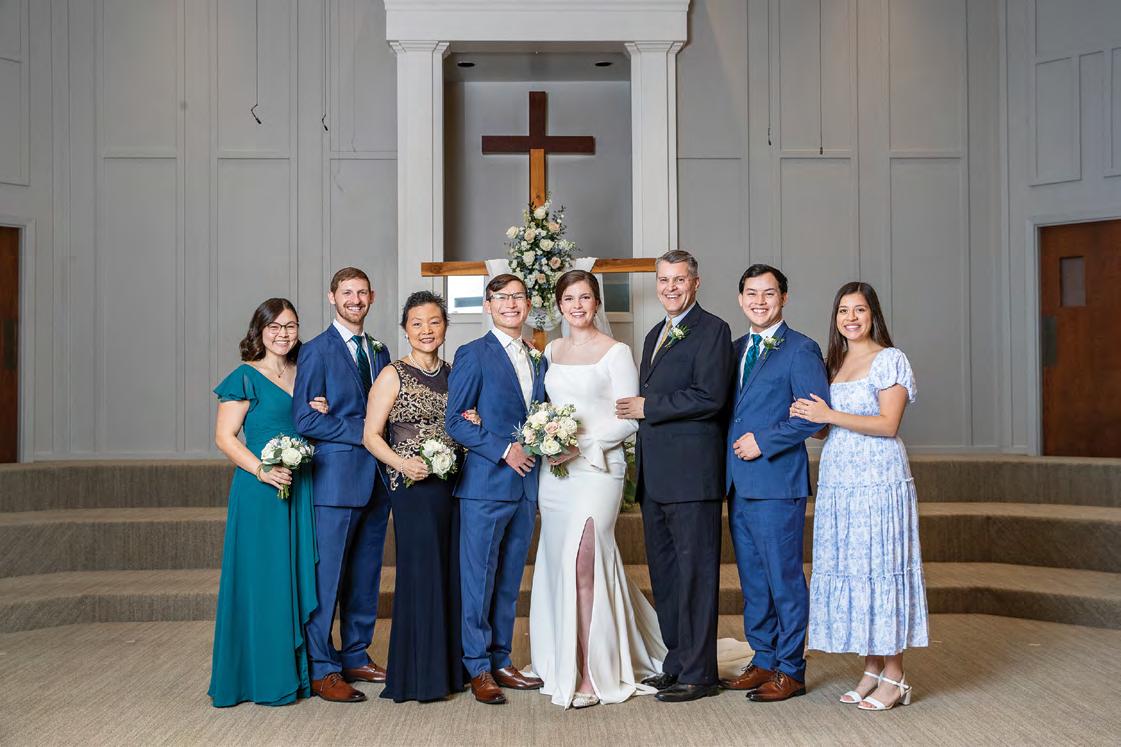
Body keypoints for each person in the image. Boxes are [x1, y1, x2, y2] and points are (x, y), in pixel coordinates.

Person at [528, 270, 667, 709]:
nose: (577, 305)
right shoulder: (551, 350)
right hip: (556, 475)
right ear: (559, 305)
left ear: (596, 303)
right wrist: (545, 439)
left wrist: (581, 444)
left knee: (585, 563)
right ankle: (562, 660)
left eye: (585, 297)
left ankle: (592, 673)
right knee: (560, 564)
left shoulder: (616, 352)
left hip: (598, 469)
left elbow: (629, 418)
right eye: (569, 298)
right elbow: (542, 408)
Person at [791, 281, 928, 711]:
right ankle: (871, 669)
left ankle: (896, 675)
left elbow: (888, 424)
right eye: (843, 311)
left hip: (878, 478)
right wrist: (808, 418)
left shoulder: (890, 359)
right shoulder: (834, 362)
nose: (850, 318)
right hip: (840, 479)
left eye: (859, 310)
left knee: (881, 567)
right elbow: (827, 428)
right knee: (855, 568)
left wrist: (829, 413)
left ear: (873, 315)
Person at [615, 250, 734, 703]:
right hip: (656, 478)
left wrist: (649, 407)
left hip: (692, 478)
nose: (670, 288)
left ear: (695, 283)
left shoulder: (714, 330)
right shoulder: (653, 334)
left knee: (696, 576)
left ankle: (701, 674)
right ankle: (677, 662)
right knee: (666, 576)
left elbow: (710, 397)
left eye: (679, 280)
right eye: (664, 280)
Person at [209, 298, 328, 707]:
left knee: (292, 578)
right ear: (259, 331)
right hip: (261, 491)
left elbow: (309, 424)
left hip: (301, 486)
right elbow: (224, 438)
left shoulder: (303, 372)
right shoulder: (244, 376)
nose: (283, 334)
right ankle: (260, 677)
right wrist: (261, 470)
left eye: (290, 326)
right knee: (264, 580)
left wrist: (321, 410)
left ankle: (295, 673)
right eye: (274, 327)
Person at [723, 264, 830, 703]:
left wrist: (763, 441)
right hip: (738, 484)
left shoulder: (801, 349)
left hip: (778, 483)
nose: (760, 301)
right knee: (753, 581)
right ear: (740, 299)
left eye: (769, 293)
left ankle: (791, 669)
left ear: (783, 298)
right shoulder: (733, 350)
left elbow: (813, 417)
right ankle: (764, 658)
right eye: (752, 293)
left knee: (784, 580)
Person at [446, 273, 548, 705]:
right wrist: (504, 449)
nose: (511, 304)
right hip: (486, 487)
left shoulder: (538, 357)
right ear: (488, 306)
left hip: (526, 487)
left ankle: (502, 659)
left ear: (528, 304)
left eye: (518, 297)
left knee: (509, 580)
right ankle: (477, 666)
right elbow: (455, 421)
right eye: (501, 298)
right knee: (478, 580)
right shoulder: (472, 353)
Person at [292, 267, 392, 703]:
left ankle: (355, 653)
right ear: (332, 297)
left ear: (372, 297)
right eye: (346, 292)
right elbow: (305, 418)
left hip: (378, 480)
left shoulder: (380, 350)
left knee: (365, 575)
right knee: (327, 578)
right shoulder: (316, 350)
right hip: (335, 483)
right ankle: (321, 667)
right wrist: (365, 432)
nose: (355, 299)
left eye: (361, 292)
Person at [362, 291, 466, 703]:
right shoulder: (393, 374)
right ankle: (420, 675)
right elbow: (371, 436)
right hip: (411, 486)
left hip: (451, 484)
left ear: (445, 327)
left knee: (449, 571)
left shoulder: (455, 373)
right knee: (422, 572)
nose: (426, 330)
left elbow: (462, 424)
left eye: (434, 322)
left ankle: (449, 670)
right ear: (405, 330)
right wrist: (403, 465)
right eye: (417, 323)